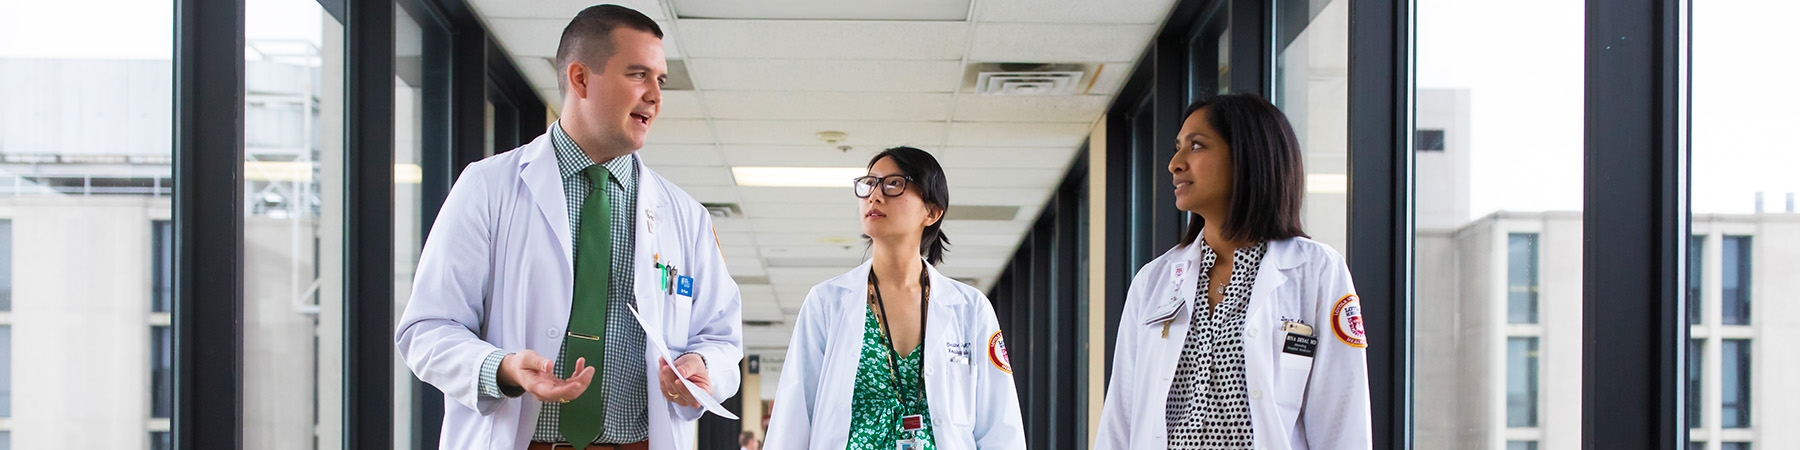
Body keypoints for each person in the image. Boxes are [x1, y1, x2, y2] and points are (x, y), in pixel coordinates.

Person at [394, 5, 742, 450]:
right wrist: (501, 368)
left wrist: (703, 365)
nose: (655, 95)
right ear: (580, 79)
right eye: (638, 75)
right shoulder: (487, 187)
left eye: (661, 80)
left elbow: (722, 337)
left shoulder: (684, 214)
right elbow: (426, 329)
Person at [1093, 93, 1370, 450]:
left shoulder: (1315, 271)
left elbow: (1343, 422)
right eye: (1178, 147)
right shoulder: (1153, 282)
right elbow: (1120, 418)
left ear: (1247, 156)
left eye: (1195, 146)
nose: (1175, 163)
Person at [763, 147, 1026, 450]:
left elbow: (1000, 426)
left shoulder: (969, 308)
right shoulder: (827, 302)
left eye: (893, 184)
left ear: (932, 211)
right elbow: (794, 416)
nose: (874, 196)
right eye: (869, 184)